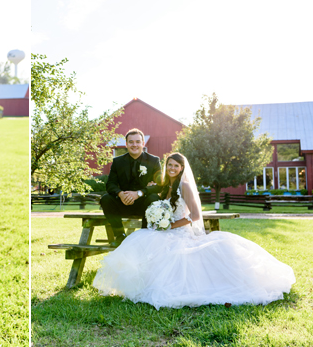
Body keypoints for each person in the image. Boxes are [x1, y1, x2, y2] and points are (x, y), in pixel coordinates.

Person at [93, 152, 296, 309]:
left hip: (179, 233)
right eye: (169, 165)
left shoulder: (186, 186)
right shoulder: (164, 186)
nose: (172, 168)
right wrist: (158, 220)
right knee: (139, 239)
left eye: (176, 166)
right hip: (165, 231)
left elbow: (196, 216)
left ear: (182, 168)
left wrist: (170, 225)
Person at [100, 129, 163, 246]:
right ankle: (120, 236)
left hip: (144, 204)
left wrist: (139, 193)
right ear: (126, 144)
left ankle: (145, 236)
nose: (134, 145)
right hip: (124, 203)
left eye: (138, 142)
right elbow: (110, 184)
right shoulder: (117, 161)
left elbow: (160, 186)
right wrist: (120, 194)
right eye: (131, 142)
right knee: (106, 199)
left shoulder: (154, 161)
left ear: (143, 144)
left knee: (154, 198)